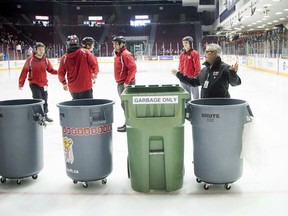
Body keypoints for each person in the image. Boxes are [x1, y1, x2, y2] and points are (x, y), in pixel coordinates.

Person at [172, 43, 240, 98]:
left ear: (214, 53)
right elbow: (193, 82)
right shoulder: (205, 70)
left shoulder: (225, 68)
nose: (204, 55)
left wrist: (233, 73)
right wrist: (178, 74)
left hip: (221, 107)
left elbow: (235, 83)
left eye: (207, 52)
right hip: (205, 106)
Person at [18, 42, 57, 122]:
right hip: (34, 84)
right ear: (35, 50)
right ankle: (39, 116)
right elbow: (24, 72)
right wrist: (21, 83)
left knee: (45, 100)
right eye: (39, 49)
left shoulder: (45, 60)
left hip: (44, 84)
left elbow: (51, 70)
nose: (42, 51)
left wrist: (60, 72)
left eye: (43, 50)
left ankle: (45, 115)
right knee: (38, 100)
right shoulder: (30, 60)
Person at [58, 35, 99, 100]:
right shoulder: (85, 52)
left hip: (73, 89)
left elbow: (60, 73)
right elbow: (94, 64)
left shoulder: (64, 58)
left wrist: (64, 83)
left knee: (77, 108)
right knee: (88, 108)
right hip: (86, 87)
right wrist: (95, 74)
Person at [112, 36, 137, 132]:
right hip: (121, 83)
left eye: (116, 43)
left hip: (126, 84)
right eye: (113, 43)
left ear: (122, 44)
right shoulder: (118, 55)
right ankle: (128, 123)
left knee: (127, 105)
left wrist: (127, 82)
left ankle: (129, 125)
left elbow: (133, 68)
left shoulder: (125, 54)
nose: (114, 45)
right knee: (125, 105)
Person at [172, 36, 201, 103]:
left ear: (190, 43)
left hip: (192, 79)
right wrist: (180, 75)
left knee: (196, 97)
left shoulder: (194, 53)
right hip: (183, 78)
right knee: (186, 96)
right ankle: (187, 108)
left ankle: (197, 106)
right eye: (183, 42)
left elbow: (198, 67)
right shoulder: (182, 54)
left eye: (186, 42)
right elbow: (180, 66)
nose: (184, 44)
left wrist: (195, 77)